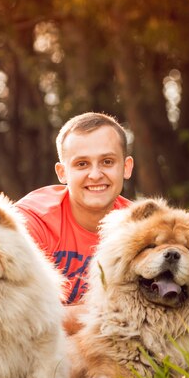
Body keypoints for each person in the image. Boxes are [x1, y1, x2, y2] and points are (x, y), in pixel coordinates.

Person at [15, 112, 134, 331]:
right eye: (82, 164)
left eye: (107, 162)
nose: (96, 174)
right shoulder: (30, 221)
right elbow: (13, 316)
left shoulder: (139, 229)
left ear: (126, 167)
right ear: (62, 172)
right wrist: (108, 313)